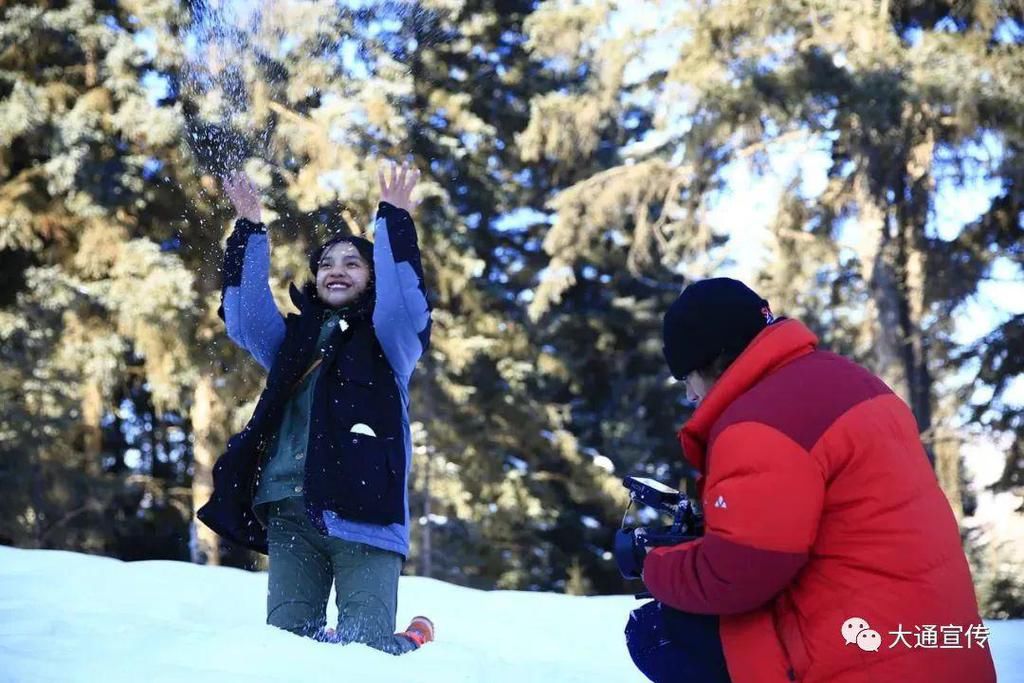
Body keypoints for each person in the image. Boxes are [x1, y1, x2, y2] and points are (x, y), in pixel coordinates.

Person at [625, 277, 997, 683]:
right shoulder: (853, 381)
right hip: (939, 652)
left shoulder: (756, 422)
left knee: (657, 632)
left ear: (711, 361)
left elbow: (737, 575)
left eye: (687, 382)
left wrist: (652, 564)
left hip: (863, 662)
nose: (692, 398)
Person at [197, 161, 434, 654]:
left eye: (352, 263)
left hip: (366, 511)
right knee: (287, 650)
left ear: (372, 277)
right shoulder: (294, 342)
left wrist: (393, 221)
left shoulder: (390, 340)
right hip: (289, 507)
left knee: (366, 653)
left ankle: (410, 640)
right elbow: (243, 316)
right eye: (327, 263)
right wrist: (249, 224)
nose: (336, 271)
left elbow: (404, 303)